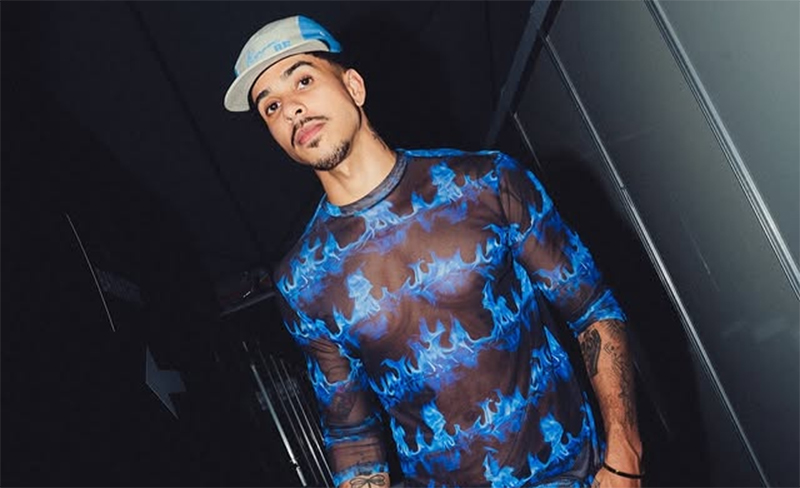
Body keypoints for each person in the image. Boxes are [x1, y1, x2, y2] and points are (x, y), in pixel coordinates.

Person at [224, 14, 643, 488]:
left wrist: (624, 455)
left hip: (576, 475)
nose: (292, 109)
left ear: (354, 86)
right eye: (271, 107)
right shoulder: (302, 280)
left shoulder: (486, 182)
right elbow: (351, 432)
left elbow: (591, 309)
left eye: (303, 80)